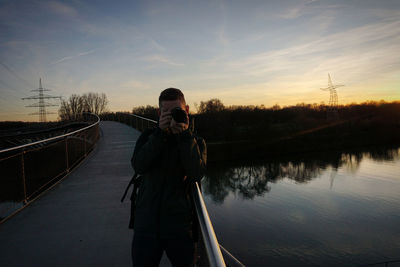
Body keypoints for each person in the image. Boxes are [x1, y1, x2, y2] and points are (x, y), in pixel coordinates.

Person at [130, 88, 207, 267]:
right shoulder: (148, 137)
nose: (172, 116)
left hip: (179, 227)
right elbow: (139, 166)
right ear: (159, 113)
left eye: (177, 111)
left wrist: (184, 137)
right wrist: (159, 134)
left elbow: (197, 173)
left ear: (186, 111)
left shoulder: (196, 142)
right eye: (167, 112)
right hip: (146, 226)